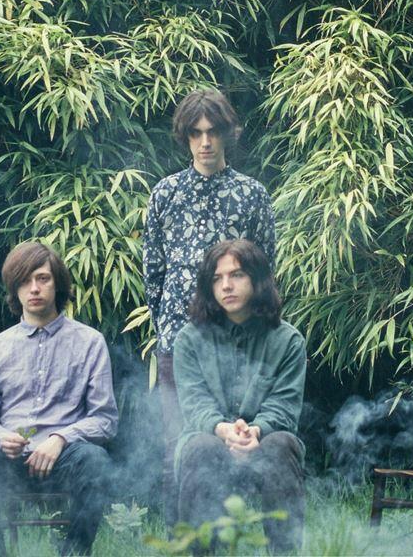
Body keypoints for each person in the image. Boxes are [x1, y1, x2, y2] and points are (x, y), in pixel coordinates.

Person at [143, 88, 276, 525]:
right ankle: (180, 542)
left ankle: (236, 535)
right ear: (185, 137)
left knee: (236, 443)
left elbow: (264, 270)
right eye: (196, 133)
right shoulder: (165, 193)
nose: (205, 142)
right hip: (177, 342)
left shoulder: (252, 194)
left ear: (227, 134)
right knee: (177, 447)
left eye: (212, 132)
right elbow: (154, 273)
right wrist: (169, 325)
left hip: (237, 345)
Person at [0, 241, 120, 557]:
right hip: (11, 460)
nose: (34, 288)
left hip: (67, 458)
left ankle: (74, 552)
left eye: (43, 278)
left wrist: (60, 439)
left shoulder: (90, 342)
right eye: (25, 281)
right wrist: (2, 438)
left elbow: (105, 419)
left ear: (58, 284)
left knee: (96, 461)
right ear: (14, 289)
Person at [173, 239, 306, 555]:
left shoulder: (288, 341)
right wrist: (223, 430)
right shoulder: (189, 339)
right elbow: (194, 403)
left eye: (237, 275)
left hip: (265, 441)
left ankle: (285, 553)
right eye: (217, 278)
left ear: (257, 280)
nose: (226, 286)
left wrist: (255, 431)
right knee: (201, 447)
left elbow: (284, 406)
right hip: (209, 438)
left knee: (282, 444)